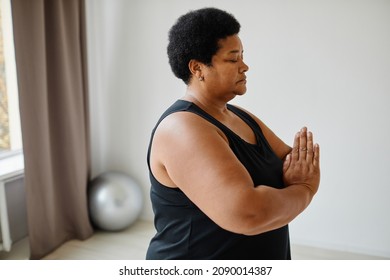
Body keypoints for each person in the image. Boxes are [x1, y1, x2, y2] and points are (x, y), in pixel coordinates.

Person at [146, 7, 320, 260]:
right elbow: (248, 214)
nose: (245, 66)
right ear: (197, 68)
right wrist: (304, 190)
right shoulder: (182, 129)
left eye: (242, 56)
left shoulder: (239, 116)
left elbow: (300, 165)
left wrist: (297, 184)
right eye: (233, 58)